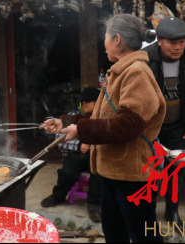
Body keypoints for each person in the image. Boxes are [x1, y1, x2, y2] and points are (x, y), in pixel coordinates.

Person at [42, 14, 166, 243]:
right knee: (115, 234)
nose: (104, 42)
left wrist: (80, 130)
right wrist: (67, 122)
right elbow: (99, 115)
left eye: (106, 37)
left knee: (144, 237)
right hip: (112, 171)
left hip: (132, 176)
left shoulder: (136, 73)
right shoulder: (120, 71)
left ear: (117, 40)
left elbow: (127, 125)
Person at [143, 17, 185, 227]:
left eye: (182, 42)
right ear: (160, 41)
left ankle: (172, 212)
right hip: (149, 128)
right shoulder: (145, 60)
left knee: (177, 170)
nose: (178, 47)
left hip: (178, 127)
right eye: (172, 43)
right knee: (149, 171)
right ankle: (148, 214)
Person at [40, 87, 102, 222]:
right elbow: (60, 141)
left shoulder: (101, 117)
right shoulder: (72, 116)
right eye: (96, 103)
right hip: (75, 155)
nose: (99, 106)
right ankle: (58, 196)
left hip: (96, 156)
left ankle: (94, 204)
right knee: (67, 171)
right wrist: (80, 146)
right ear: (85, 104)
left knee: (98, 171)